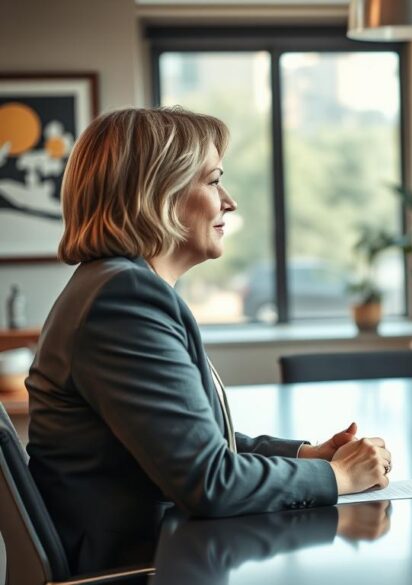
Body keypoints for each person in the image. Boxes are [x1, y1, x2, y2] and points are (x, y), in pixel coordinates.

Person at [26, 107, 392, 574]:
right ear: (158, 193)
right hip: (132, 568)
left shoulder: (115, 287)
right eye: (214, 181)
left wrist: (305, 455)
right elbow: (210, 482)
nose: (229, 201)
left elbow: (191, 441)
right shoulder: (123, 300)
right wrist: (338, 476)